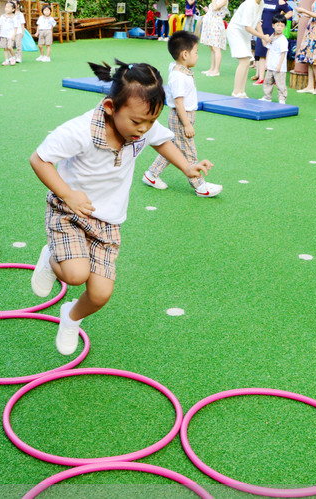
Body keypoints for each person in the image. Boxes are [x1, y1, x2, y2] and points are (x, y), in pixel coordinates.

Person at [29, 60, 213, 355]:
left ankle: (70, 317)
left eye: (150, 122)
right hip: (71, 211)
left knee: (100, 294)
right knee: (75, 274)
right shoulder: (81, 131)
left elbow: (162, 141)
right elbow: (39, 159)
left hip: (108, 220)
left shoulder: (143, 127)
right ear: (110, 107)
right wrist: (68, 194)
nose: (143, 130)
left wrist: (187, 166)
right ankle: (51, 254)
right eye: (137, 122)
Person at [143, 32, 222, 198]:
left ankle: (151, 175)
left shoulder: (180, 69)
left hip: (185, 116)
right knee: (190, 153)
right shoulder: (178, 76)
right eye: (196, 52)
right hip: (181, 117)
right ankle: (200, 186)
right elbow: (179, 102)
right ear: (185, 54)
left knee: (175, 149)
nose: (198, 56)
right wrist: (186, 124)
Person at [226, 0, 270, 96]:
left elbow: (258, 23)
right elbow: (247, 27)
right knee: (244, 61)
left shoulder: (261, 3)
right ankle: (236, 91)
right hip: (235, 31)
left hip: (245, 34)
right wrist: (263, 37)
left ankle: (242, 91)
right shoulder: (249, 4)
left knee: (246, 61)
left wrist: (263, 38)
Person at [252, 0, 291, 85]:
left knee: (274, 54)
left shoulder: (279, 1)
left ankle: (274, 79)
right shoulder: (261, 1)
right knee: (261, 54)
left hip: (273, 31)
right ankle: (261, 78)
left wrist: (279, 21)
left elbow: (290, 13)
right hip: (262, 30)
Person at [295, 0, 316, 95]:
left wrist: (304, 10)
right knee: (310, 59)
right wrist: (304, 15)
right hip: (312, 27)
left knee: (315, 60)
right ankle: (310, 86)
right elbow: (314, 14)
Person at [260, 13, 289, 103]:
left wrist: (279, 66)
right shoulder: (272, 37)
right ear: (273, 25)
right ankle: (267, 97)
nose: (279, 27)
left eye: (282, 26)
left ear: (284, 27)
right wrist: (266, 63)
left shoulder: (283, 40)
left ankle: (282, 98)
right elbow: (268, 49)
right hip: (271, 66)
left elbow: (283, 54)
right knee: (268, 81)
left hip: (279, 68)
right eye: (277, 25)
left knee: (280, 84)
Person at [199, 0, 229, 76]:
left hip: (216, 24)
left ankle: (216, 70)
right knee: (212, 47)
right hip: (211, 23)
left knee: (216, 47)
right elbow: (213, 11)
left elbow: (215, 7)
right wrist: (207, 10)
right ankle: (212, 68)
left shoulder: (224, 0)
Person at [0, 1, 17, 66]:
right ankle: (6, 60)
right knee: (5, 48)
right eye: (6, 7)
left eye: (9, 8)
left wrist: (14, 35)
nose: (6, 9)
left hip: (10, 35)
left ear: (13, 9)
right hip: (3, 35)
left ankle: (13, 57)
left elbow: (16, 27)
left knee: (9, 47)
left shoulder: (14, 17)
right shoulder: (2, 16)